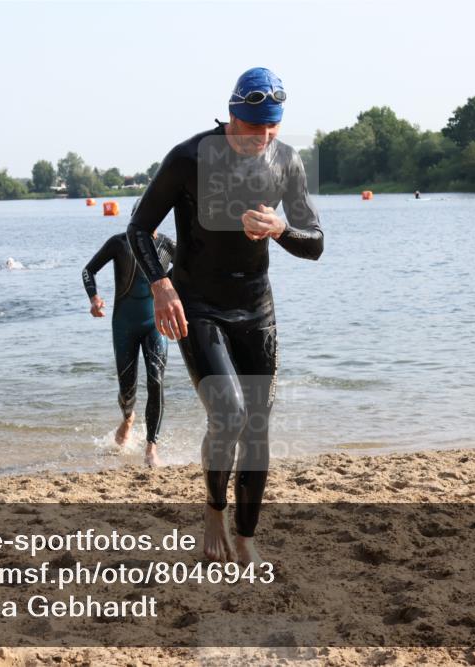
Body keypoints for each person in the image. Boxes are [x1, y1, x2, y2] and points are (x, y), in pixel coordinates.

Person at [126, 67, 323, 564]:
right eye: (254, 128)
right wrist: (161, 286)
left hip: (256, 308)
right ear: (233, 114)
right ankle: (214, 510)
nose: (263, 138)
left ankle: (247, 537)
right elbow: (138, 228)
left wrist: (281, 229)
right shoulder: (189, 158)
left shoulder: (286, 161)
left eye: (272, 129)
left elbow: (315, 244)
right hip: (198, 306)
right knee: (230, 414)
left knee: (256, 427)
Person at [83, 200, 175, 467]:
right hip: (124, 323)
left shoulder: (167, 247)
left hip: (155, 323)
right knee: (127, 388)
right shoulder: (119, 243)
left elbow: (186, 273)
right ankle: (128, 417)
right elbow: (88, 270)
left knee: (156, 379)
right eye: (140, 217)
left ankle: (151, 447)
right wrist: (94, 299)